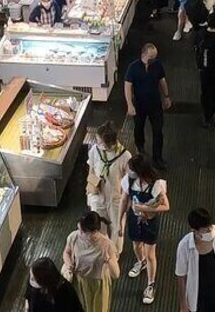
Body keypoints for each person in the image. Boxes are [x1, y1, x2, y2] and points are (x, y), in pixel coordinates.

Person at [118, 153, 170, 305]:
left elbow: (166, 206)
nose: (129, 172)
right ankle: (141, 262)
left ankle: (150, 284)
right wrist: (120, 220)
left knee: (150, 253)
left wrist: (146, 207)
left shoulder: (156, 184)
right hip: (134, 219)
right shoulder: (129, 180)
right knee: (135, 245)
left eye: (132, 169)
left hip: (149, 221)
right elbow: (123, 199)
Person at [176, 208, 215, 312]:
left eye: (210, 227)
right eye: (206, 230)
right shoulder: (184, 246)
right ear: (194, 230)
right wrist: (183, 304)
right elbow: (181, 276)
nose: (210, 231)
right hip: (200, 296)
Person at [124, 43, 172, 170]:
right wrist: (129, 104)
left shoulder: (157, 65)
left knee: (158, 131)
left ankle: (157, 158)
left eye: (154, 56)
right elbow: (128, 86)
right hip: (139, 104)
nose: (153, 59)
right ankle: (140, 149)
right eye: (151, 56)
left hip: (155, 104)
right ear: (143, 54)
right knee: (138, 127)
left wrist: (166, 96)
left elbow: (162, 80)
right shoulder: (133, 67)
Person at [87, 122, 131, 253]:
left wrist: (126, 202)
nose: (98, 143)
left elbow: (129, 181)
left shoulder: (125, 156)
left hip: (116, 197)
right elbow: (91, 169)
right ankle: (102, 251)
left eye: (100, 142)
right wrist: (89, 191)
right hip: (98, 195)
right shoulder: (95, 150)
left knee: (117, 225)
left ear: (110, 142)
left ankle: (114, 253)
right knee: (98, 224)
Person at [62, 211, 120, 312]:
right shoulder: (74, 237)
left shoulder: (106, 245)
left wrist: (108, 259)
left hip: (98, 284)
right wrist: (69, 264)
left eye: (82, 231)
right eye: (78, 229)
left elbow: (116, 274)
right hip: (79, 281)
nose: (79, 233)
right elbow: (67, 252)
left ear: (94, 232)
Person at [196, 12, 215, 128]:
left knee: (205, 92)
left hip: (203, 69)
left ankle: (206, 115)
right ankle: (214, 111)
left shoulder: (200, 34)